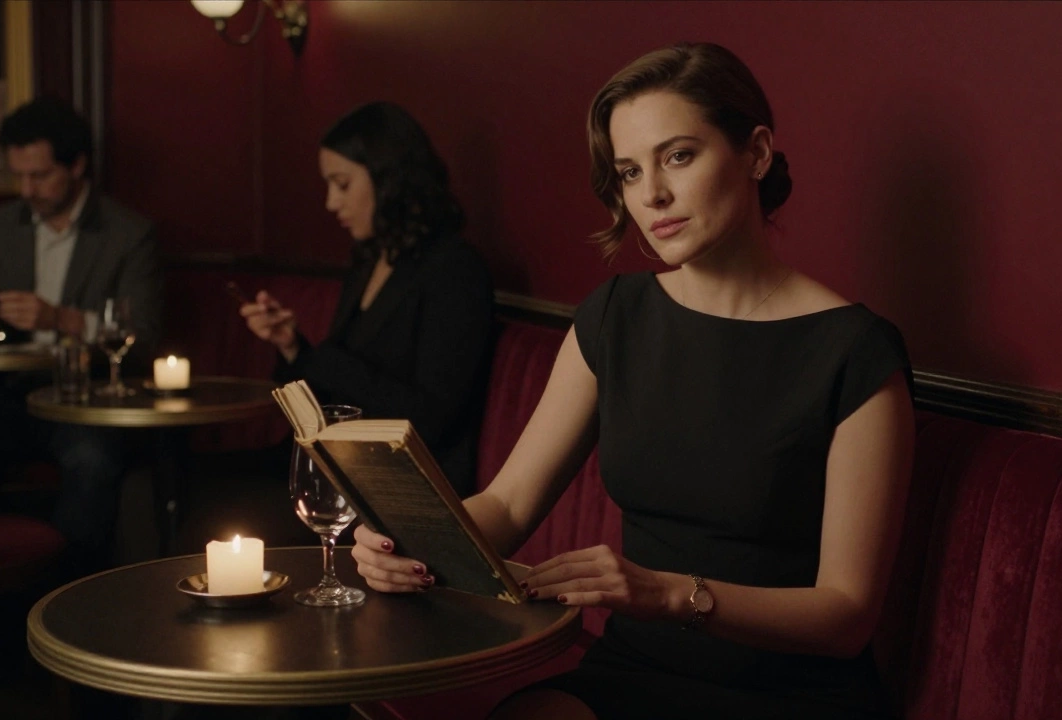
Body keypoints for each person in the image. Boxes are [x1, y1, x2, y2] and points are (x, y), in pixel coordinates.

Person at [350, 42, 915, 720]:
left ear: (757, 153)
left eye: (679, 155)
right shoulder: (614, 317)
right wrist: (407, 544)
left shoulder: (854, 352)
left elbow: (846, 615)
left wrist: (670, 594)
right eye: (627, 172)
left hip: (791, 695)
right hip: (632, 672)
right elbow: (507, 504)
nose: (652, 195)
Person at [0, 96, 163, 574]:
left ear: (77, 165)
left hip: (86, 399)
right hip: (6, 393)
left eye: (39, 175)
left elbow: (145, 338)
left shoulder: (128, 233)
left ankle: (65, 601)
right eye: (18, 176)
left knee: (91, 461)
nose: (26, 189)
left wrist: (63, 320)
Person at [241, 102, 494, 499]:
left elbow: (429, 419)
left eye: (342, 184)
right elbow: (337, 392)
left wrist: (324, 358)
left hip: (397, 487)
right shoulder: (370, 258)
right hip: (336, 466)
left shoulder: (454, 271)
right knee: (187, 479)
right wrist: (292, 345)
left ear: (389, 179)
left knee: (214, 501)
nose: (330, 202)